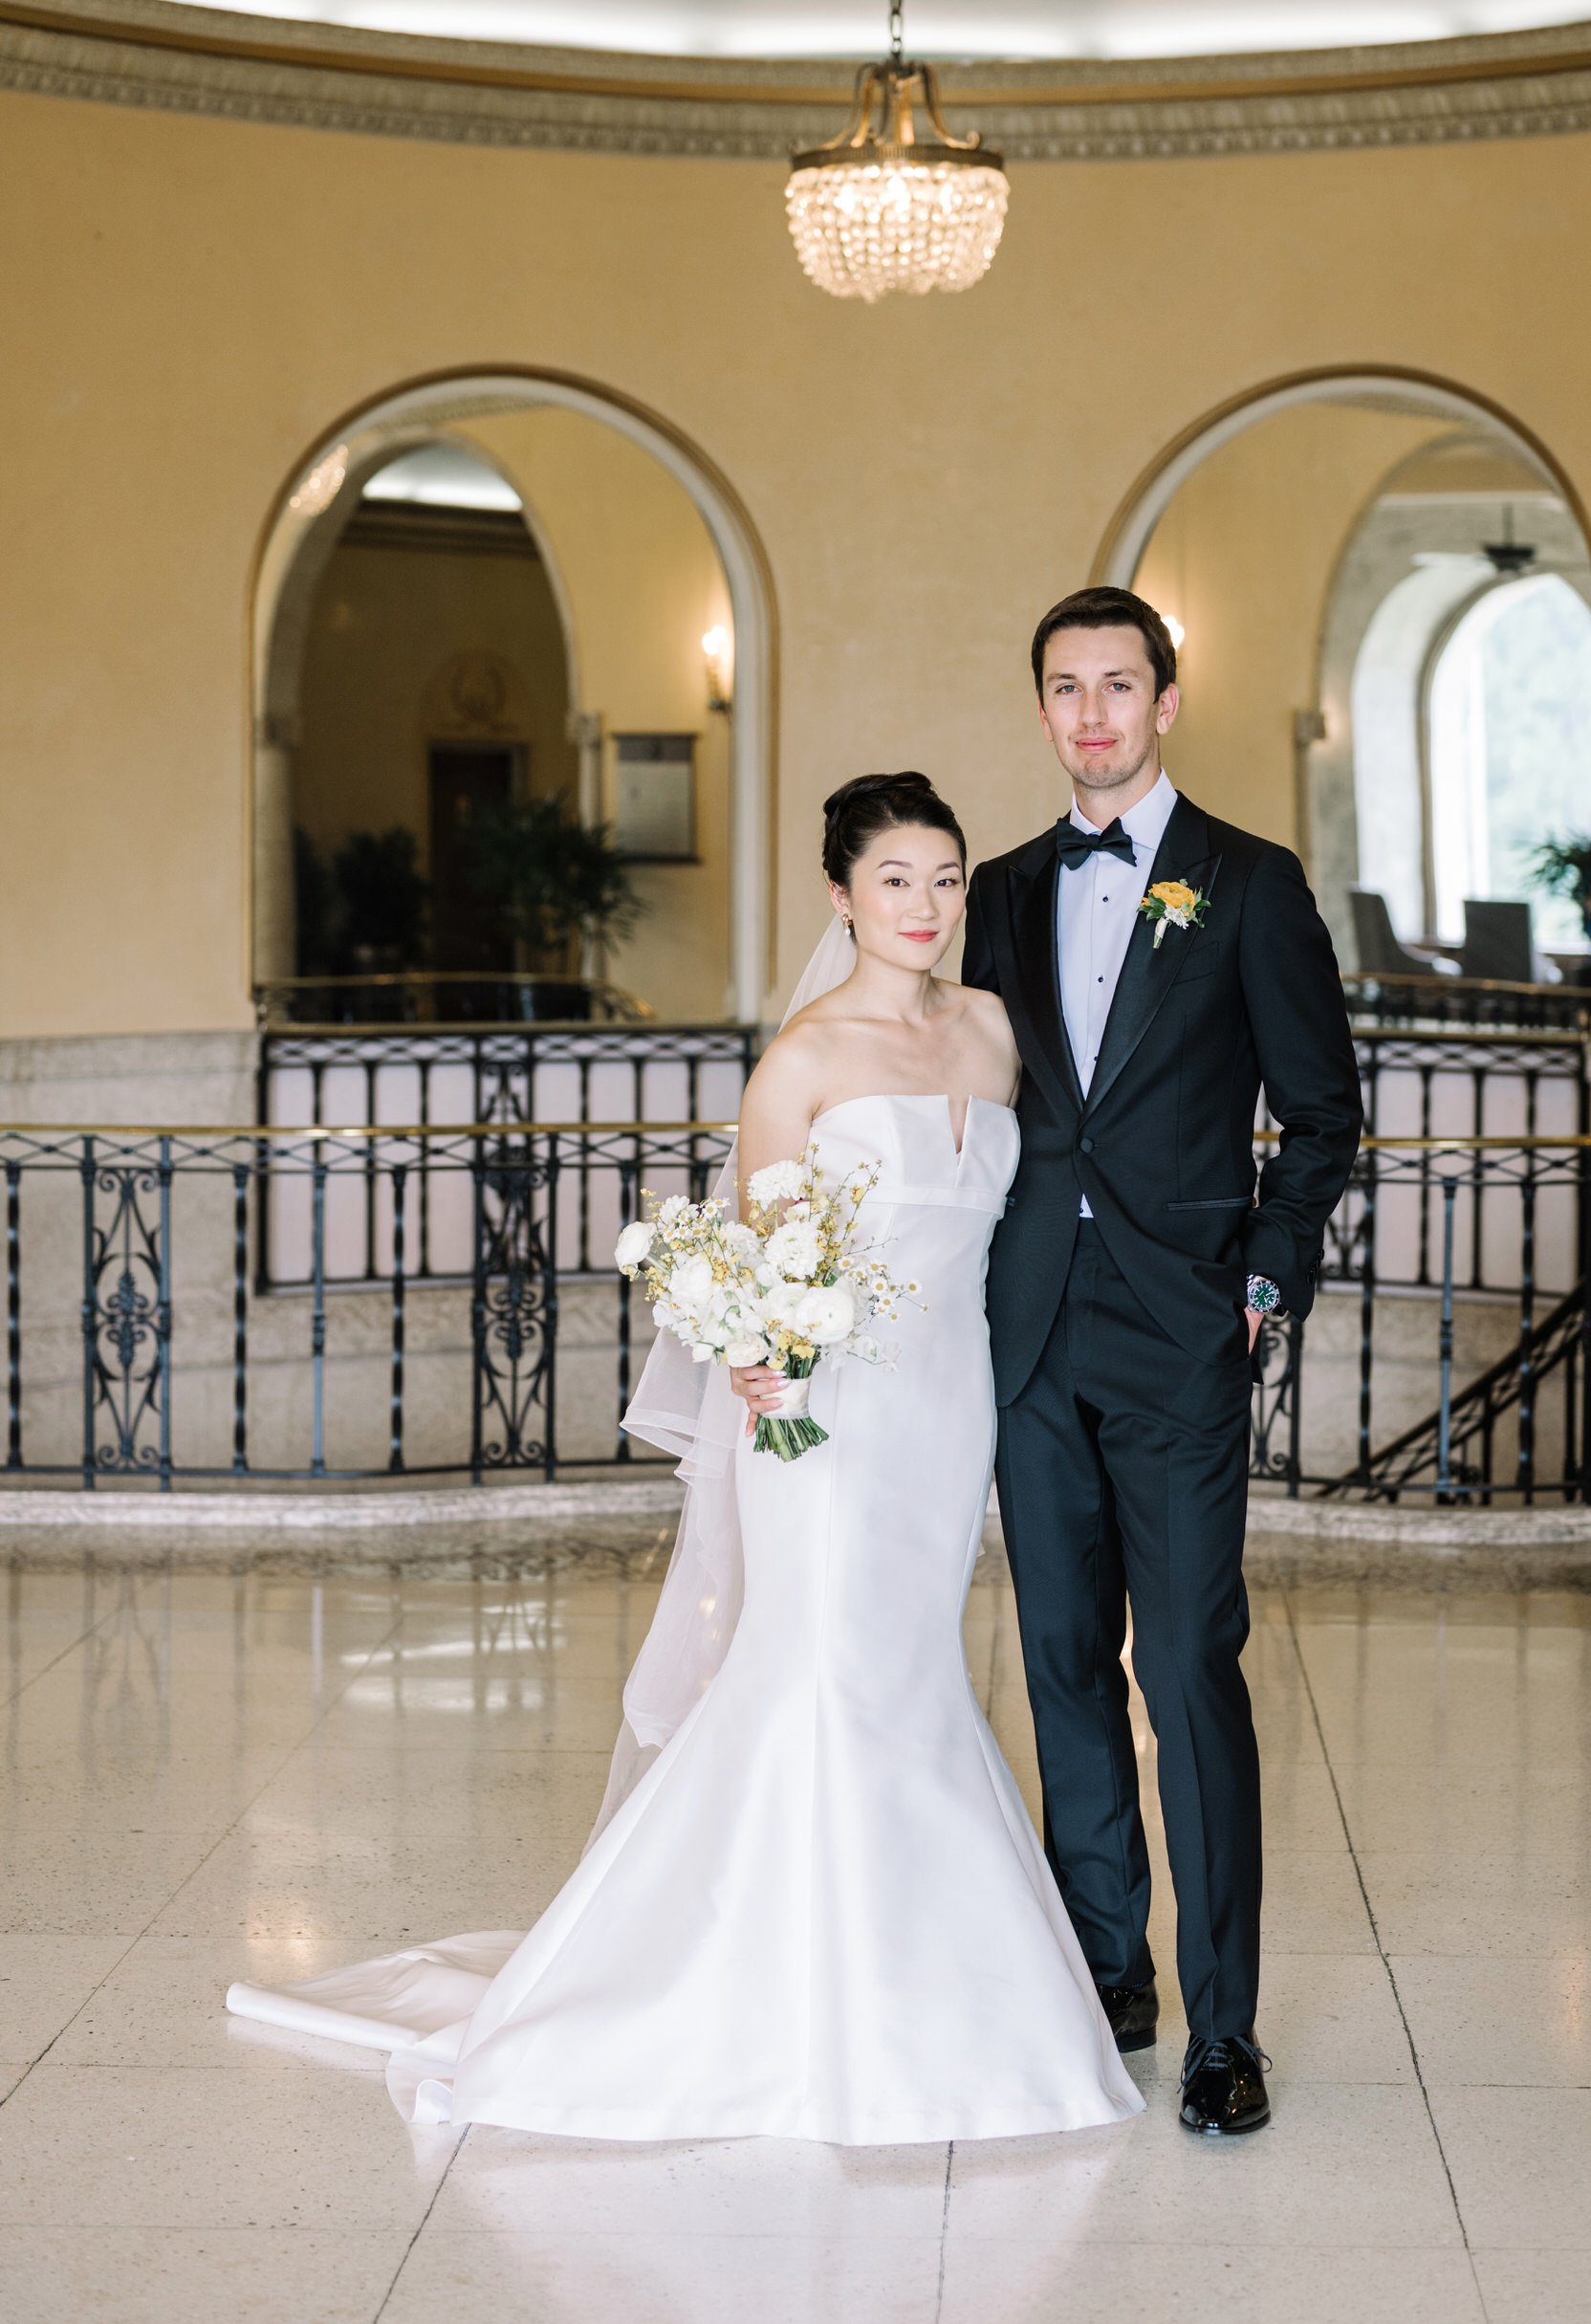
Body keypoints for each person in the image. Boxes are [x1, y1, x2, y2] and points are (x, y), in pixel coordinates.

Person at [226, 771, 1142, 2147]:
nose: (928, 905)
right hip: (824, 1420)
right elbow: (758, 1263)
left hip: (949, 1414)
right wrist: (758, 1350)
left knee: (910, 1675)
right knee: (822, 1676)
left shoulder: (997, 1033)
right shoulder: (804, 1061)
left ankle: (912, 1979)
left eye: (946, 879)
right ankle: (783, 2004)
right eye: (896, 879)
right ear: (843, 896)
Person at [963, 586, 1362, 2137]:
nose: (1091, 716)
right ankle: (1107, 1967)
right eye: (1064, 689)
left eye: (1118, 687)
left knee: (1188, 1670)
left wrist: (1263, 1275)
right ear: (1045, 706)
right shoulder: (996, 891)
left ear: (1167, 701)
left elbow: (1321, 1116)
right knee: (1061, 1661)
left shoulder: (1251, 886)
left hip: (1184, 1329)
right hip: (1029, 1329)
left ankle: (1224, 2025)